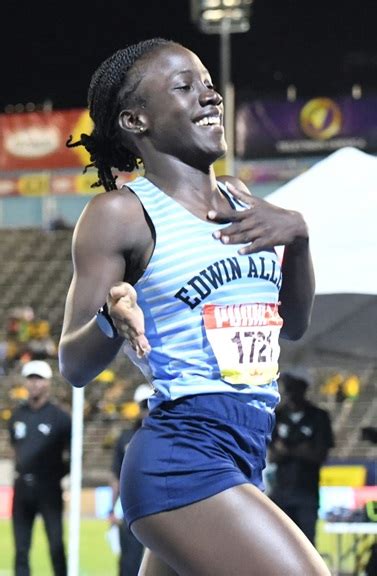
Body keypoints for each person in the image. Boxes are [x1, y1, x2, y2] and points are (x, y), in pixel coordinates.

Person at [59, 38, 331, 575]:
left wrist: (298, 239)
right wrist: (112, 321)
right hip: (184, 455)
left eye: (209, 84)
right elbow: (72, 364)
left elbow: (293, 326)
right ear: (136, 121)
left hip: (247, 446)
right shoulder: (121, 214)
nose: (210, 97)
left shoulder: (241, 200)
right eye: (185, 87)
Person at [8, 360, 71, 576]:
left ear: (48, 383)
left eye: (39, 379)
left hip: (49, 489)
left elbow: (72, 453)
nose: (35, 383)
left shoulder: (60, 418)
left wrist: (62, 476)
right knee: (21, 548)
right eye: (31, 378)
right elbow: (16, 447)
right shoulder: (17, 416)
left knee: (55, 544)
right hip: (22, 488)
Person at [268, 370, 335, 546]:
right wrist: (301, 449)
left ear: (304, 388)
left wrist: (287, 449)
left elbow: (319, 455)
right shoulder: (278, 415)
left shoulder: (319, 417)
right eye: (286, 387)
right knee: (278, 545)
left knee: (306, 545)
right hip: (280, 492)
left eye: (293, 387)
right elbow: (273, 456)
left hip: (307, 493)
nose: (288, 392)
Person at [109, 384, 151, 576]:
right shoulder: (126, 437)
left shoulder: (170, 435)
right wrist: (111, 509)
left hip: (163, 507)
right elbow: (116, 476)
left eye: (150, 404)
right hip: (131, 509)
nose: (148, 410)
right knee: (129, 563)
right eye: (144, 406)